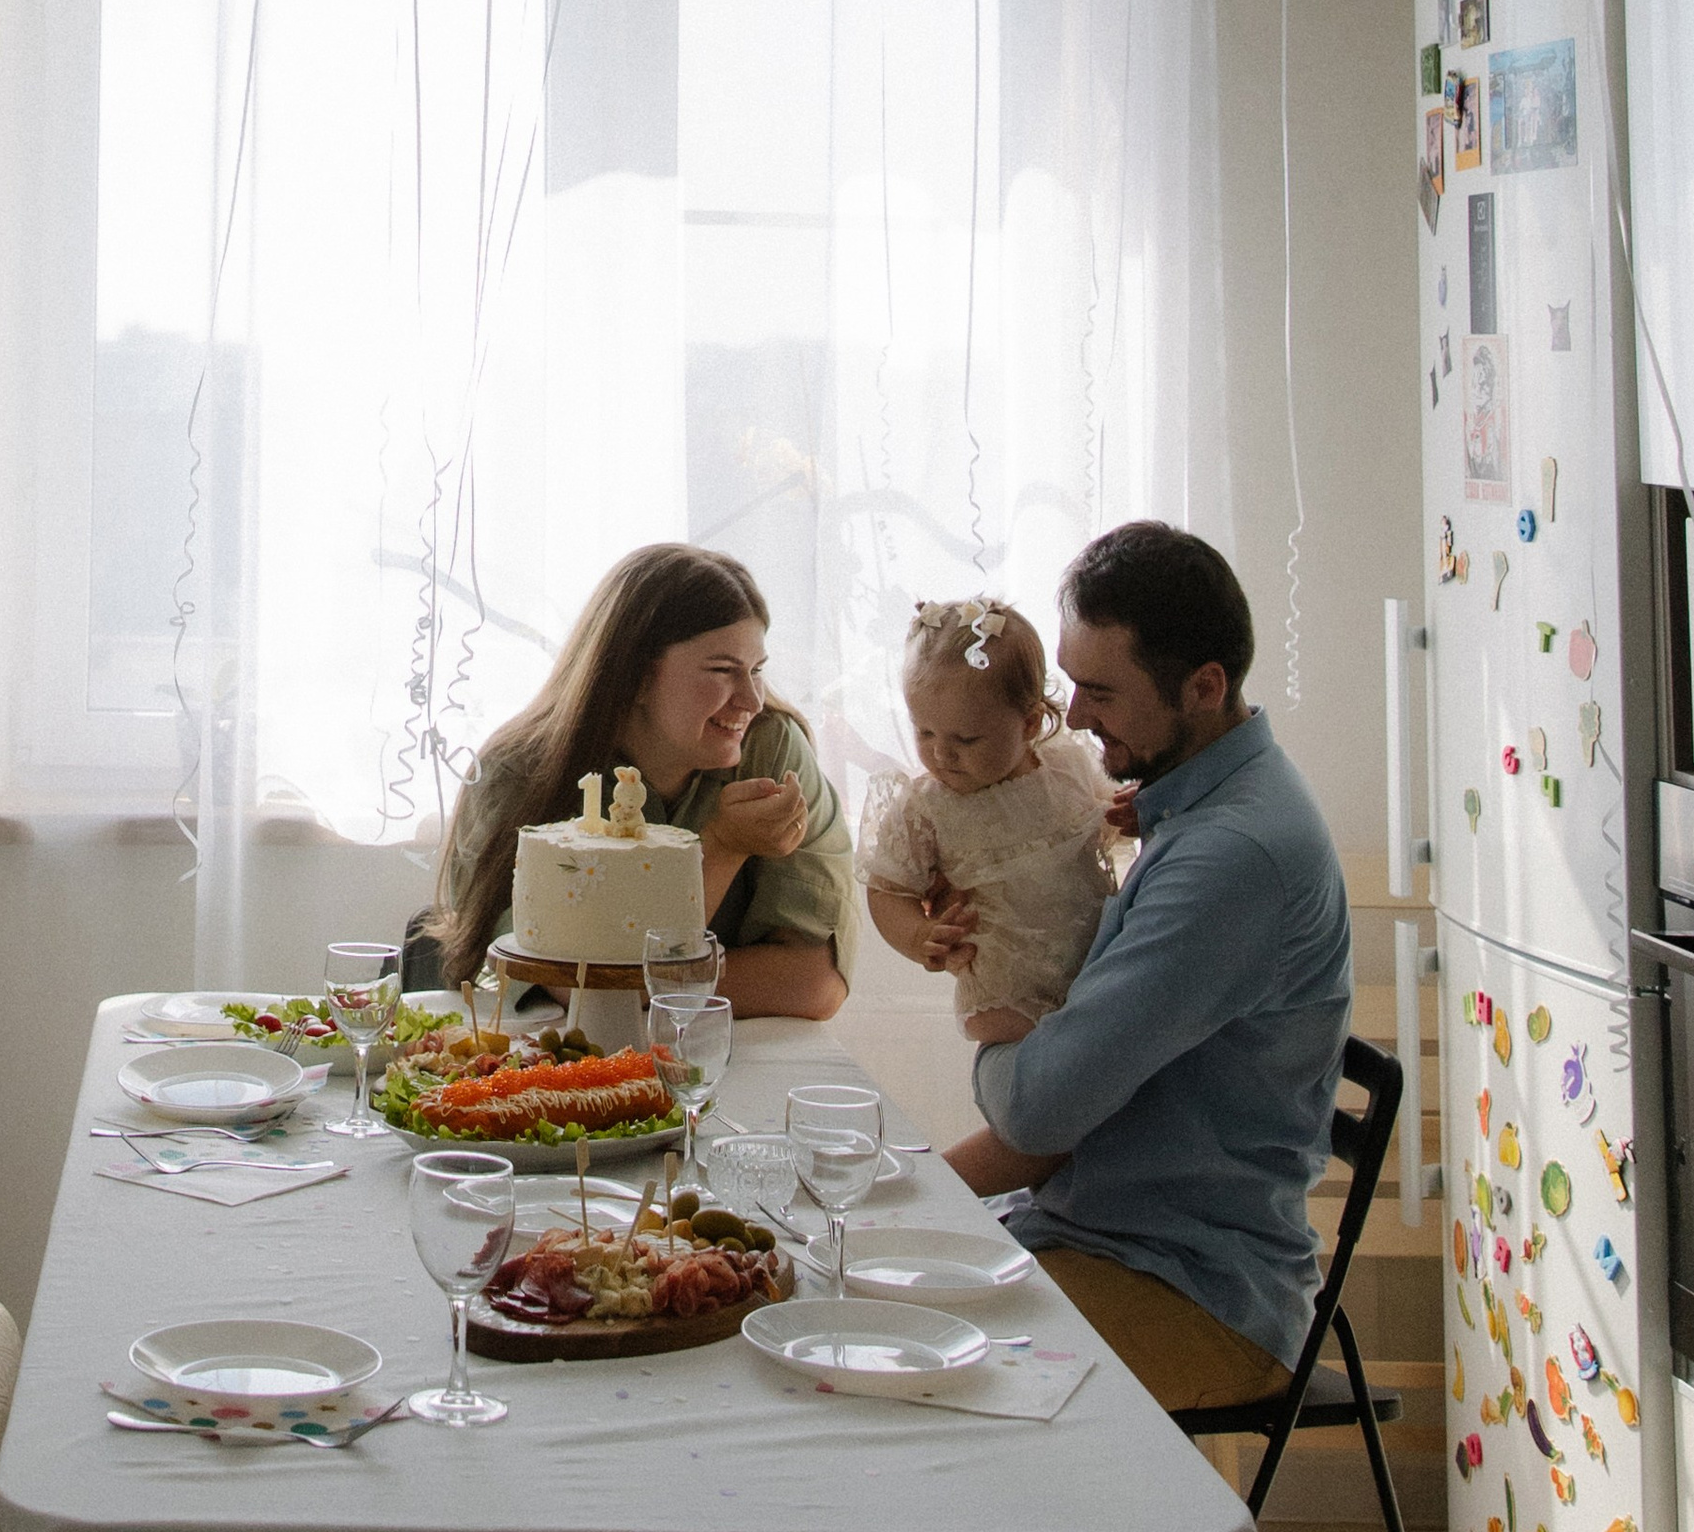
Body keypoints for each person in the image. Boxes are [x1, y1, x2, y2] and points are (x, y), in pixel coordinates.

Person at [951, 520, 1351, 1416]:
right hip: (1108, 1235)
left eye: (1101, 691)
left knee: (896, 1366)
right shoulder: (1203, 808)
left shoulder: (1234, 855)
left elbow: (1040, 1107)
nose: (1077, 716)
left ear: (1205, 688)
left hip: (1190, 1286)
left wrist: (996, 1017)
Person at [425, 543, 852, 1020]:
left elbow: (816, 984)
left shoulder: (771, 750)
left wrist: (633, 981)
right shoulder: (519, 772)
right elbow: (574, 990)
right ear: (636, 677)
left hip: (726, 1060)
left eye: (756, 671)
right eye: (723, 671)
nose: (752, 700)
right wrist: (725, 847)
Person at [857, 598, 1114, 1038]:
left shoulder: (1067, 765)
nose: (941, 753)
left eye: (967, 738)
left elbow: (1100, 823)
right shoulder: (925, 807)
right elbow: (888, 890)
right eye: (925, 732)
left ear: (1030, 723)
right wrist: (919, 937)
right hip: (1005, 986)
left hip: (1096, 961)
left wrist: (1122, 813)